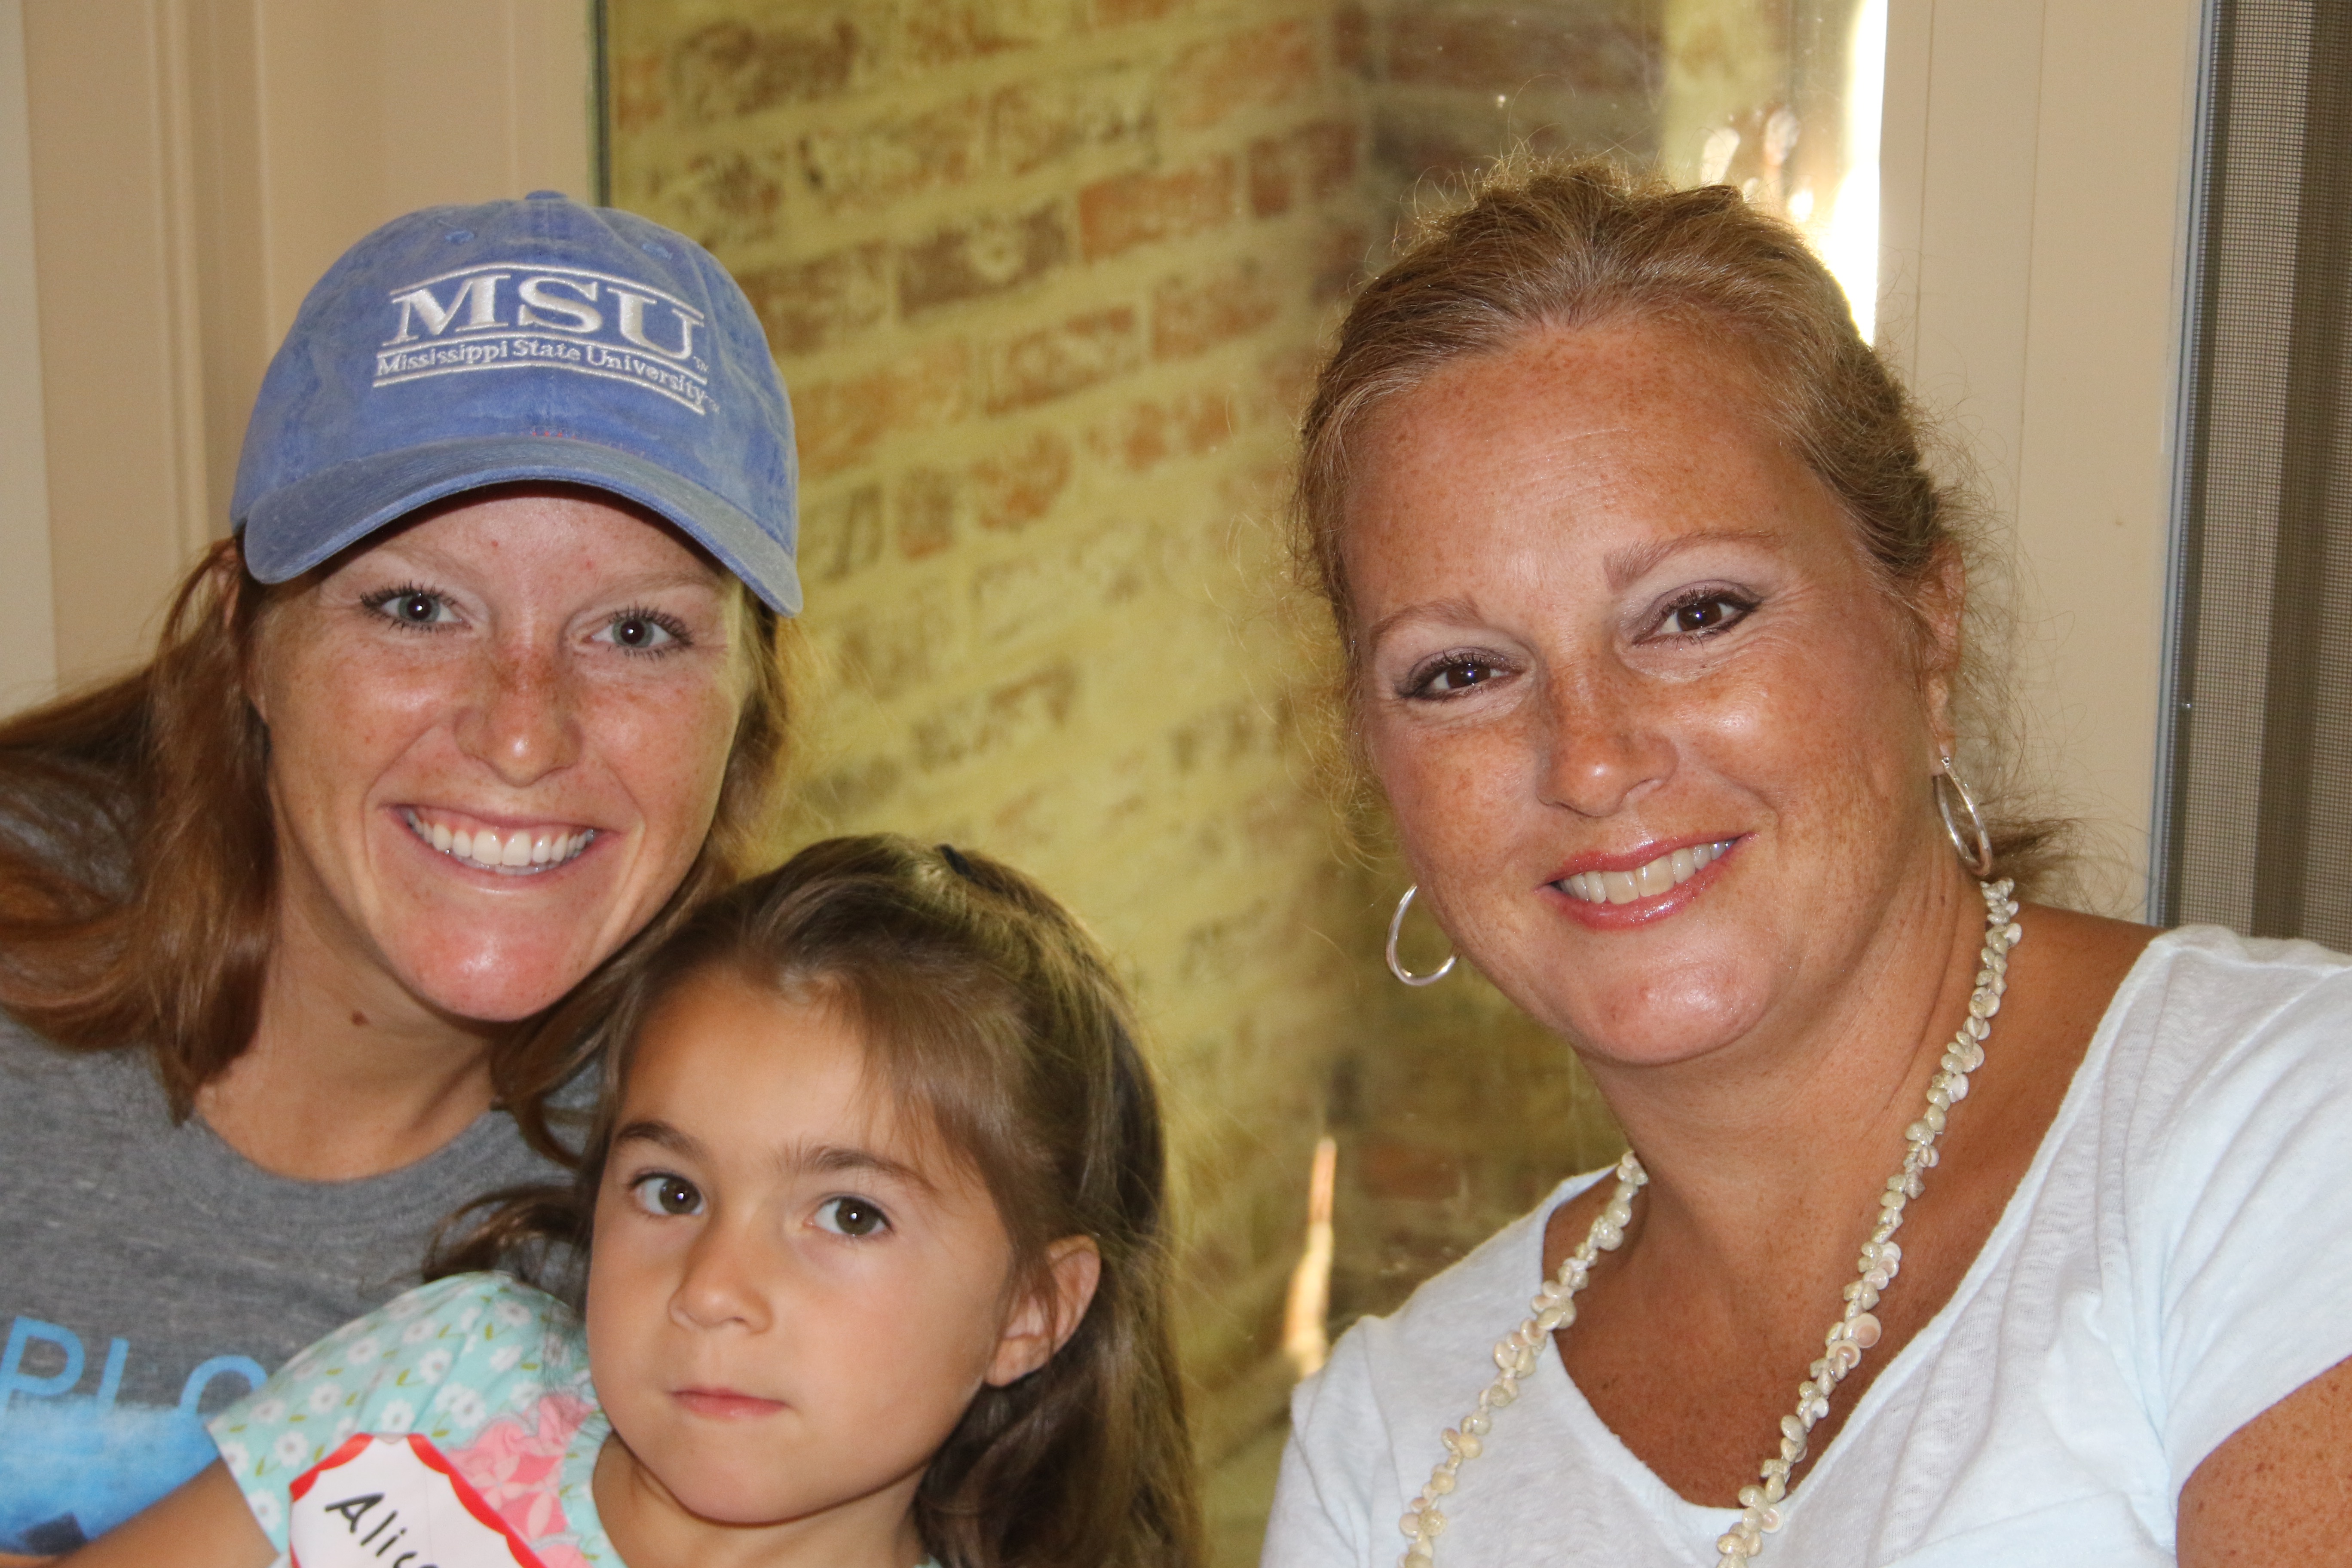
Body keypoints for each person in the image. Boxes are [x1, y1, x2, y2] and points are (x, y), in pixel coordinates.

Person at [1262, 160, 2352, 1567]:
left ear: (1925, 624)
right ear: (1377, 765)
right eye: (1461, 672)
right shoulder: (1391, 1442)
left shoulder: (2282, 1143)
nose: (1590, 759)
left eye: (1695, 613)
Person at [0, 191, 802, 1555]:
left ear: (748, 707)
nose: (522, 732)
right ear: (246, 645)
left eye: (636, 633)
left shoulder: (737, 1226)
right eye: (417, 608)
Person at [61, 835, 1199, 1568]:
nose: (713, 1289)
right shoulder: (455, 1382)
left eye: (850, 1215)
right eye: (673, 1190)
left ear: (1032, 1310)